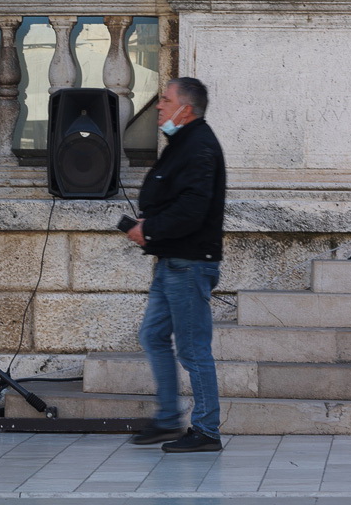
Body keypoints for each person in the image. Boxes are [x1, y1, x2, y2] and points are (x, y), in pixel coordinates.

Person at [126, 77, 227, 453]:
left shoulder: (199, 146)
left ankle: (206, 430)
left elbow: (192, 209)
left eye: (165, 100)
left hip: (188, 265)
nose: (159, 106)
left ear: (186, 108)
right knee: (153, 335)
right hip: (172, 261)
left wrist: (149, 229)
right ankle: (168, 419)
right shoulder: (182, 143)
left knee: (193, 348)